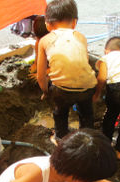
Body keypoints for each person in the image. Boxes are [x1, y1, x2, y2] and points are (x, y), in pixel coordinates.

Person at [36, 0, 97, 143]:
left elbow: (40, 75)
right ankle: (87, 138)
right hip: (87, 86)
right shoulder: (80, 37)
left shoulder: (44, 40)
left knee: (60, 113)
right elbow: (83, 62)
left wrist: (45, 91)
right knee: (86, 113)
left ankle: (60, 137)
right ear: (74, 22)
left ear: (48, 24)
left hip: (62, 90)